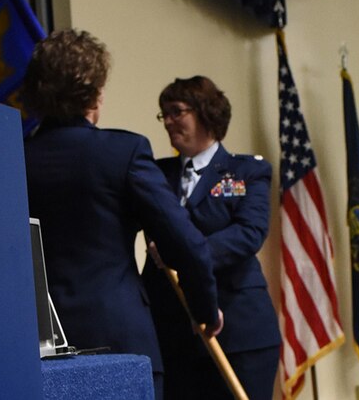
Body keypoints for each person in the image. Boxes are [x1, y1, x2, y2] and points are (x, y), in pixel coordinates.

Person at [20, 30, 222, 400]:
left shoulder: (14, 156)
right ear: (94, 94)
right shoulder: (123, 152)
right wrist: (206, 310)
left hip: (34, 347)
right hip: (119, 343)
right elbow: (186, 243)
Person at [142, 75, 281, 400]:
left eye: (177, 111)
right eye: (165, 114)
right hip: (173, 332)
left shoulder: (246, 171)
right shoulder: (156, 174)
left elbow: (249, 233)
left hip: (239, 330)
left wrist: (187, 252)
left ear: (206, 111)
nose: (169, 122)